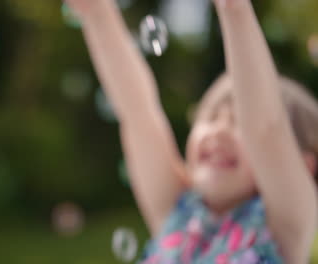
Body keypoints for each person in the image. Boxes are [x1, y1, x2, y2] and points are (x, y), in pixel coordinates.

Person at [65, 0, 318, 263]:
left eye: (239, 123)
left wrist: (234, 9)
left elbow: (266, 130)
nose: (219, 131)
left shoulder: (286, 225)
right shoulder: (176, 211)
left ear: (303, 165)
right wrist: (96, 12)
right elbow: (136, 110)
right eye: (211, 117)